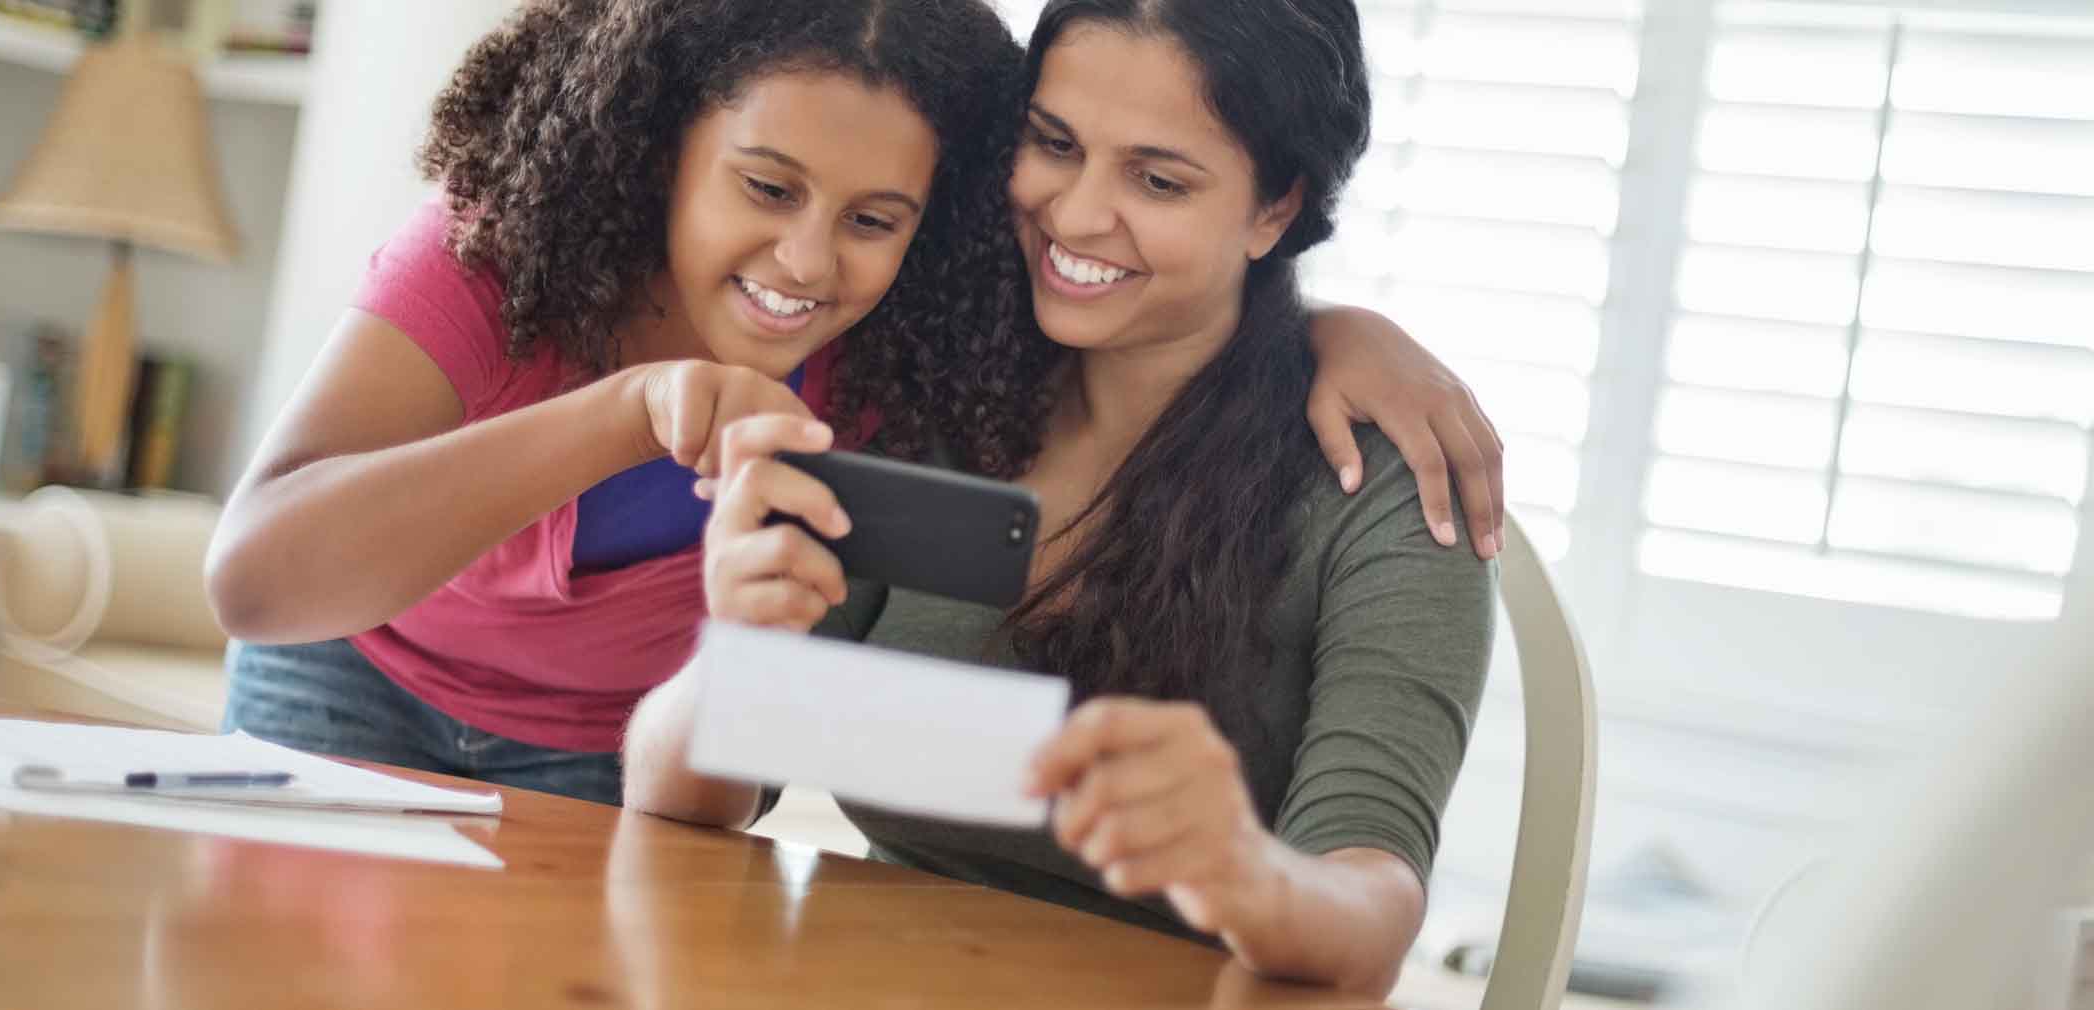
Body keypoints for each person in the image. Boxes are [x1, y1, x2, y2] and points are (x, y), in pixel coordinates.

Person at [208, 0, 1500, 808]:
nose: (810, 265)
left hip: (615, 757)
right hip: (353, 678)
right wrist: (629, 407)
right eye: (765, 188)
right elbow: (258, 580)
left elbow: (1163, 292)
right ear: (664, 145)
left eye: (874, 218)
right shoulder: (509, 241)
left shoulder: (923, 328)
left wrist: (1334, 325)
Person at [624, 0, 1494, 996]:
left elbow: (1371, 909)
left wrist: (1246, 871)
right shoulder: (935, 387)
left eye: (1158, 179)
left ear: (1275, 208)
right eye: (1053, 144)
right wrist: (739, 645)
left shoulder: (1388, 481)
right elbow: (679, 798)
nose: (1076, 215)